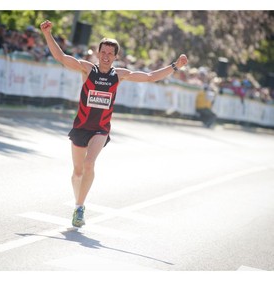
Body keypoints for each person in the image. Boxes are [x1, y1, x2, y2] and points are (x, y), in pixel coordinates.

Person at [40, 19, 188, 227]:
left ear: (116, 56)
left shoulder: (118, 75)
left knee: (90, 163)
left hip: (100, 129)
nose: (106, 56)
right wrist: (47, 34)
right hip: (80, 127)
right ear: (98, 53)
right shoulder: (87, 69)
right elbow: (61, 57)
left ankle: (79, 208)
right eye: (103, 52)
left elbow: (149, 77)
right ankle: (78, 201)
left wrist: (175, 66)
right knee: (77, 173)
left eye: (110, 53)